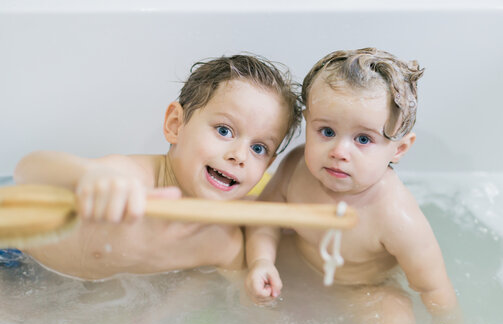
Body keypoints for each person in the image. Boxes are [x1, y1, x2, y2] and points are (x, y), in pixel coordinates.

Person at [245, 48, 463, 324]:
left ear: (399, 149)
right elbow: (264, 218)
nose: (339, 151)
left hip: (363, 290)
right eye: (327, 131)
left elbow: (434, 289)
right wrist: (261, 262)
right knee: (238, 261)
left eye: (363, 139)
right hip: (298, 268)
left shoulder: (395, 216)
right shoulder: (296, 167)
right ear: (307, 123)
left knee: (396, 318)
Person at [13, 54, 301, 280]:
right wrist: (90, 176)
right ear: (175, 125)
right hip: (14, 262)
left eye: (259, 148)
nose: (240, 156)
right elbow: (29, 171)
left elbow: (237, 304)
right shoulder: (130, 181)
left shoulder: (223, 244)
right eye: (224, 130)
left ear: (268, 165)